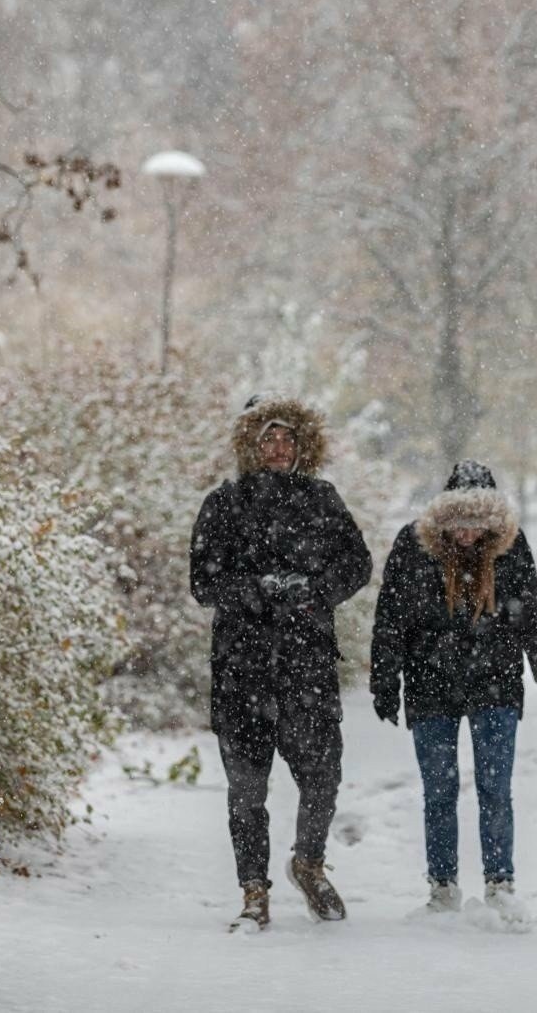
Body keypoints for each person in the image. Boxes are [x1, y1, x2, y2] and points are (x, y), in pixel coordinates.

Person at [190, 394, 372, 931]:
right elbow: (203, 581)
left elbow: (357, 564)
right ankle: (253, 891)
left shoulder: (322, 500)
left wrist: (314, 591)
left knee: (322, 777)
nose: (277, 448)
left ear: (303, 446)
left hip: (306, 667)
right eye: (267, 438)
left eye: (287, 438)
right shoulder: (222, 504)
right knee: (247, 790)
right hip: (241, 669)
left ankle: (309, 864)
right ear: (249, 445)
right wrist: (253, 589)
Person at [369, 460, 537, 915]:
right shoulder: (412, 546)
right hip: (429, 682)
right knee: (439, 790)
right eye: (459, 521)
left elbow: (531, 612)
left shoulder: (511, 550)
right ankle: (442, 886)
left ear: (493, 520)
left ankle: (500, 882)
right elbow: (391, 619)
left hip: (494, 683)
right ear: (444, 517)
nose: (468, 532)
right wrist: (384, 678)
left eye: (478, 521)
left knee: (496, 789)